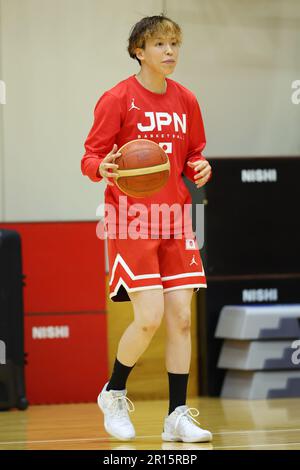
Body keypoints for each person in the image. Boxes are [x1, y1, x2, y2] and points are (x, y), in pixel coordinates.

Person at [81, 14, 213, 443]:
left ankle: (177, 415)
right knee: (149, 317)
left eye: (174, 44)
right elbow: (90, 158)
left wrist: (200, 167)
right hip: (132, 218)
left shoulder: (187, 100)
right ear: (139, 51)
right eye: (159, 45)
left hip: (175, 218)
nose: (169, 52)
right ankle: (114, 391)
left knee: (180, 319)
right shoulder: (117, 99)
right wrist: (99, 167)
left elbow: (193, 155)